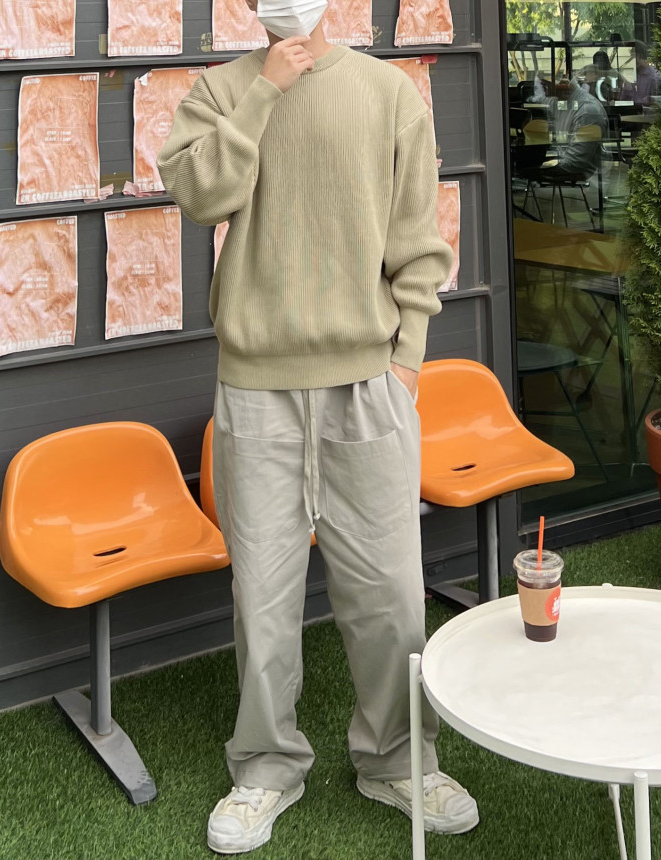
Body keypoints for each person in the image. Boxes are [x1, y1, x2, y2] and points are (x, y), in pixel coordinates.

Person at [158, 0, 479, 854]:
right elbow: (201, 195)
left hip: (369, 385)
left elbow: (418, 240)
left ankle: (399, 760)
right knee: (262, 598)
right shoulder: (220, 91)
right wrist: (266, 89)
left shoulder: (387, 92)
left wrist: (406, 364)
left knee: (389, 594)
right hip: (255, 388)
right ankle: (265, 768)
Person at [622, 40, 661, 106]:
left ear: (638, 56)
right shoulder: (632, 76)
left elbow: (655, 105)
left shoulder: (654, 77)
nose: (629, 61)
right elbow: (624, 100)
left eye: (631, 57)